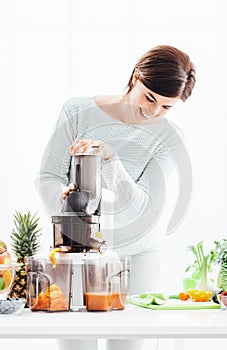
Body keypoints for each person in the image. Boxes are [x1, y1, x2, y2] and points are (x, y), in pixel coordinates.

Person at [35, 45, 196, 350]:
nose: (153, 111)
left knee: (128, 344)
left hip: (136, 257)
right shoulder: (77, 111)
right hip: (76, 253)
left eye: (166, 107)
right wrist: (65, 200)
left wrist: (111, 160)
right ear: (137, 77)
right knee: (76, 343)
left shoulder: (169, 138)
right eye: (150, 98)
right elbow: (48, 177)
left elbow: (141, 208)